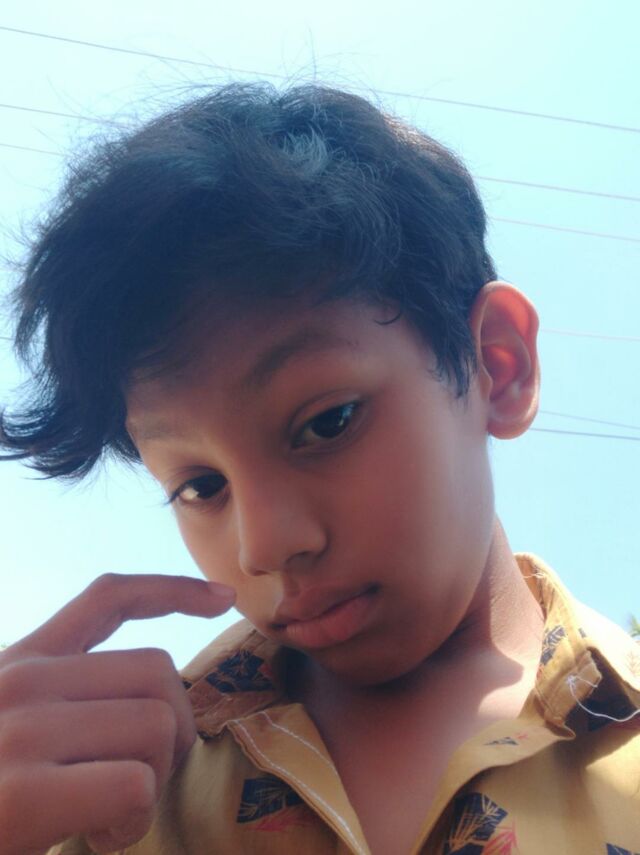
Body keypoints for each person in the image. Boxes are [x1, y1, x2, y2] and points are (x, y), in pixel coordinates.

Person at [0, 83, 638, 855]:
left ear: (497, 365)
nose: (263, 545)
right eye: (201, 485)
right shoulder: (106, 804)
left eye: (327, 422)